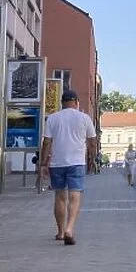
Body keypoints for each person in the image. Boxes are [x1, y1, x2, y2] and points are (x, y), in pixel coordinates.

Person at [39, 89, 97, 246]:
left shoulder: (52, 118)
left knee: (59, 196)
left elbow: (47, 142)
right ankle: (70, 229)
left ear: (62, 103)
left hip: (57, 163)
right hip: (77, 162)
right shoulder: (84, 118)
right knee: (74, 195)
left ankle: (60, 231)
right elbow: (92, 142)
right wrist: (93, 158)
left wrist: (43, 163)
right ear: (77, 102)